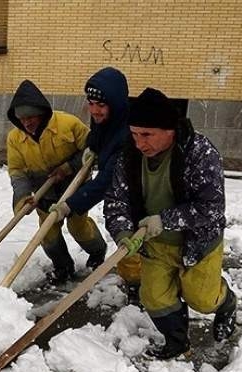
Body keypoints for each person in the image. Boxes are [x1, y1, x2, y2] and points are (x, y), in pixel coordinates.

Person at [104, 87, 238, 359]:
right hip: (154, 244)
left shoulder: (199, 153)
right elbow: (116, 199)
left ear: (170, 130)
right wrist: (123, 232)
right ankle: (178, 343)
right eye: (133, 133)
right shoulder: (129, 155)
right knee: (154, 297)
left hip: (198, 243)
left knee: (202, 299)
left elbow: (211, 207)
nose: (139, 142)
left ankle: (226, 304)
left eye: (146, 134)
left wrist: (165, 220)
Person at [7, 79, 107, 282]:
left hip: (76, 187)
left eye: (30, 117)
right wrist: (22, 197)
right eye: (21, 119)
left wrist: (68, 167)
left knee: (78, 227)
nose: (26, 123)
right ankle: (63, 267)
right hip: (46, 192)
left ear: (41, 112)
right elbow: (17, 171)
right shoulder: (15, 138)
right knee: (47, 234)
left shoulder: (68, 124)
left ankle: (97, 252)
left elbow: (92, 151)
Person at [60, 67, 142, 305]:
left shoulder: (128, 134)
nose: (94, 110)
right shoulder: (107, 118)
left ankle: (137, 286)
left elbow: (106, 181)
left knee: (129, 243)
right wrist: (92, 148)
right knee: (124, 239)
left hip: (134, 193)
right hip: (119, 191)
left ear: (115, 104)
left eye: (101, 105)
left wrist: (69, 205)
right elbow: (98, 134)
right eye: (91, 102)